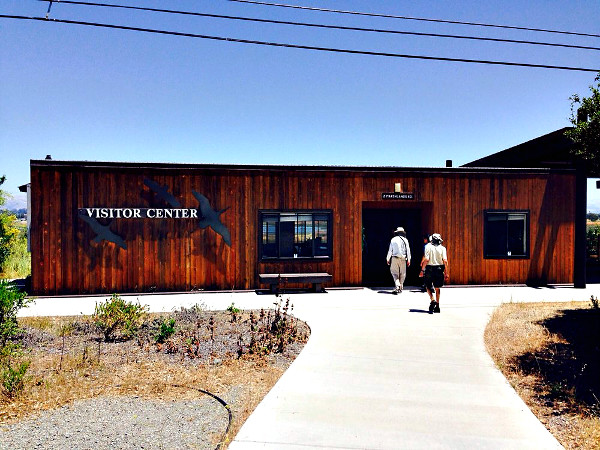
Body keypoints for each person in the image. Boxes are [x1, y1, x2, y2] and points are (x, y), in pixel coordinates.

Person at [420, 233, 449, 313]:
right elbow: (445, 261)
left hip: (429, 268)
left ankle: (432, 299)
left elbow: (426, 259)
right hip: (439, 268)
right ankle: (438, 306)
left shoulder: (427, 247)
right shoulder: (443, 248)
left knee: (428, 286)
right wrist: (446, 272)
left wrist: (422, 270)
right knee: (437, 287)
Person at [386, 227, 411, 294]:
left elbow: (390, 250)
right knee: (403, 274)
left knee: (394, 273)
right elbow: (408, 250)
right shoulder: (406, 240)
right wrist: (409, 259)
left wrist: (388, 259)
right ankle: (400, 286)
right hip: (403, 259)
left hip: (394, 258)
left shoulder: (393, 239)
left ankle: (397, 286)